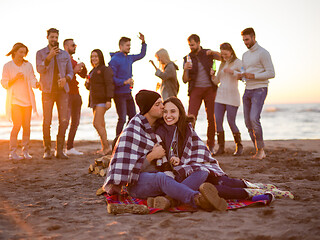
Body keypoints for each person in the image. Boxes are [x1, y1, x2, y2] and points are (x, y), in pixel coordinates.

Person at [103, 89, 228, 212]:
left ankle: (168, 201)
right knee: (161, 178)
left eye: (161, 103)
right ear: (148, 109)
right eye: (158, 104)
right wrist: (151, 156)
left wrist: (175, 158)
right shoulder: (134, 130)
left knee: (201, 172)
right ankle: (197, 199)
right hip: (138, 184)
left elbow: (171, 146)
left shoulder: (159, 126)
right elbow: (127, 170)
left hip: (166, 178)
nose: (162, 107)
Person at [155, 96, 283, 202]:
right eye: (165, 112)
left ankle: (259, 187)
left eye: (173, 111)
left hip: (197, 167)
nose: (168, 115)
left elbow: (197, 150)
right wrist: (174, 160)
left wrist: (181, 160)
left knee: (223, 181)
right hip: (183, 175)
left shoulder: (186, 128)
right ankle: (256, 196)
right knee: (213, 189)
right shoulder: (160, 131)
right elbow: (165, 154)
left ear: (180, 112)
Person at [36, 28, 73, 159]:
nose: (54, 40)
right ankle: (47, 150)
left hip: (62, 91)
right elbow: (39, 69)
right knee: (47, 121)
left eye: (56, 37)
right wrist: (49, 57)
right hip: (47, 91)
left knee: (64, 120)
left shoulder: (64, 54)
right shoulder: (40, 53)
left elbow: (71, 73)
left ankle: (60, 150)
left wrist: (65, 79)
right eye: (52, 37)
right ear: (47, 37)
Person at [182, 34, 221, 154]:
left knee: (211, 118)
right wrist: (185, 69)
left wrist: (213, 51)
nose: (191, 47)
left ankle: (211, 145)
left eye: (192, 44)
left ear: (198, 43)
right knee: (191, 117)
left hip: (210, 89)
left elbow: (223, 58)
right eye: (189, 45)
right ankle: (188, 144)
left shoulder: (207, 53)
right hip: (195, 90)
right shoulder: (187, 58)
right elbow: (184, 80)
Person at [240, 28, 275, 159]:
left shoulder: (263, 53)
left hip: (260, 89)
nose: (245, 42)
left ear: (253, 37)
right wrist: (242, 76)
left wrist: (253, 75)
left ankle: (261, 151)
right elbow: (244, 70)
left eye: (247, 39)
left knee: (254, 118)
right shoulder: (245, 55)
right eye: (243, 40)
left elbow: (271, 73)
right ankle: (257, 149)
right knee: (248, 122)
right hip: (247, 89)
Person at [1, 43, 39, 161]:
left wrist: (37, 84)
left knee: (27, 126)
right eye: (20, 52)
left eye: (24, 52)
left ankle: (25, 151)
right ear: (15, 52)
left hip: (27, 101)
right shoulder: (8, 66)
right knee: (17, 125)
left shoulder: (28, 65)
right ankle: (12, 152)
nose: (22, 55)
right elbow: (4, 83)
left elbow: (33, 79)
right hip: (14, 101)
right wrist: (15, 78)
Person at [109, 33, 147, 138]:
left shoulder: (129, 58)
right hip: (118, 94)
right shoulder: (114, 60)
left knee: (133, 117)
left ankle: (127, 136)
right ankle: (117, 139)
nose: (129, 47)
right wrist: (124, 82)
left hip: (128, 93)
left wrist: (143, 42)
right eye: (127, 45)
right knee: (122, 118)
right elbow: (112, 78)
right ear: (121, 46)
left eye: (130, 45)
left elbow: (141, 55)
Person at [212, 43, 243, 156]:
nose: (224, 56)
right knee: (218, 121)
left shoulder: (238, 62)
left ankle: (239, 146)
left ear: (231, 51)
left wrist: (233, 72)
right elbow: (216, 82)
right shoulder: (222, 64)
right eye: (222, 54)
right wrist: (212, 75)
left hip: (232, 97)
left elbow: (244, 75)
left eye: (225, 54)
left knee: (231, 121)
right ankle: (221, 148)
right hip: (220, 97)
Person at [85, 49, 114, 155]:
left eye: (96, 56)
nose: (94, 58)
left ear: (100, 57)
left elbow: (109, 84)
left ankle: (107, 147)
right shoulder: (92, 71)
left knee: (96, 123)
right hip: (94, 101)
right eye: (92, 57)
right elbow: (89, 87)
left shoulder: (105, 69)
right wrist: (87, 82)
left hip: (102, 100)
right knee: (101, 124)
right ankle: (104, 148)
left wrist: (108, 99)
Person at [63, 39, 87, 156]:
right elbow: (63, 78)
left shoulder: (73, 60)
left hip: (76, 94)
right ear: (66, 46)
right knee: (65, 121)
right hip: (66, 94)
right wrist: (74, 70)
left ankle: (70, 147)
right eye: (73, 45)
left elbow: (83, 76)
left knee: (75, 122)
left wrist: (83, 66)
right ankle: (61, 148)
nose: (75, 47)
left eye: (75, 45)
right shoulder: (62, 60)